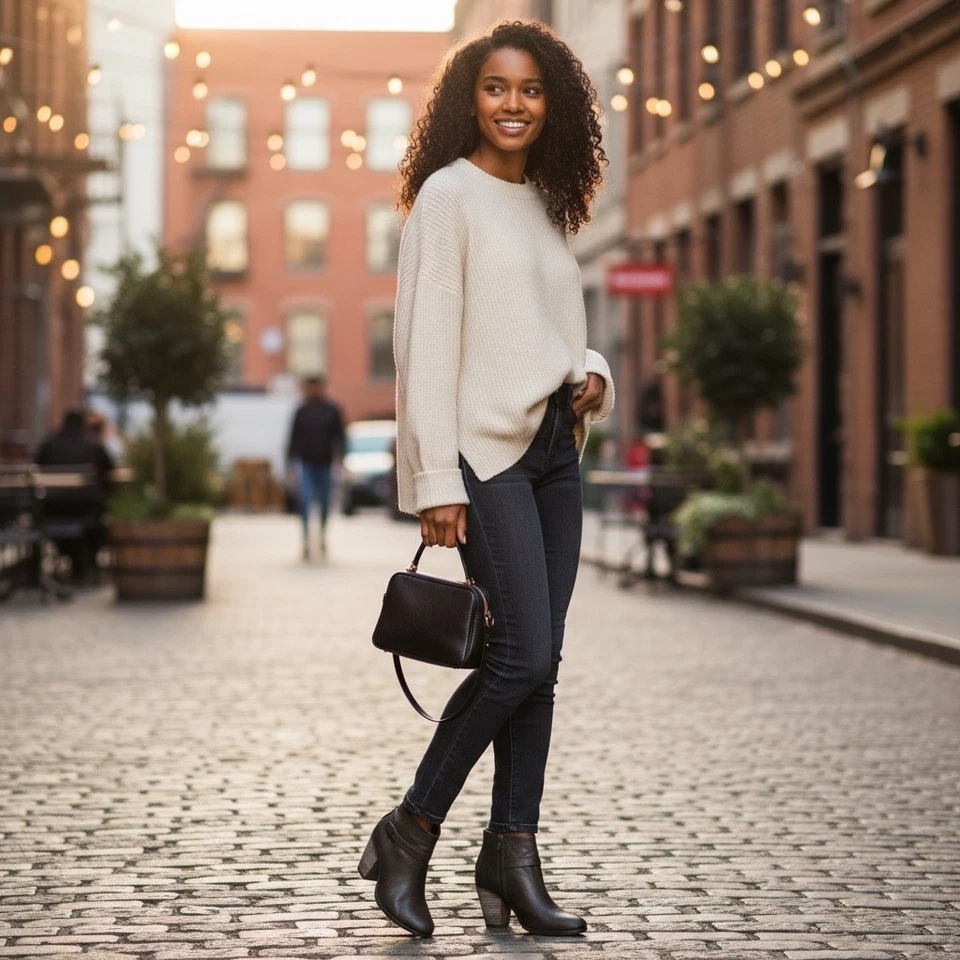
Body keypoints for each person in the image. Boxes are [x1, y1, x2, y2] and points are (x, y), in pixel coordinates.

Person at [358, 20, 614, 939]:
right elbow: (424, 347)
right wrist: (433, 476)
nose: (514, 104)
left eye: (533, 89)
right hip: (484, 452)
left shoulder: (547, 203)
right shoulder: (447, 197)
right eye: (497, 87)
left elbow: (554, 325)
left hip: (554, 446)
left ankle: (512, 851)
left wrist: (591, 372)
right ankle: (410, 829)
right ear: (470, 95)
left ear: (556, 106)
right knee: (521, 655)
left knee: (539, 669)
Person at [35, 409, 115, 581]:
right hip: (86, 511)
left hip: (52, 510)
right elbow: (110, 470)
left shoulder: (48, 444)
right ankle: (87, 566)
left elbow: (36, 469)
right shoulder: (93, 444)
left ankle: (76, 564)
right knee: (100, 522)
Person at [286, 376, 345, 560]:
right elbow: (293, 438)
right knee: (304, 501)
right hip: (306, 465)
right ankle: (305, 540)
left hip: (325, 464)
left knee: (325, 504)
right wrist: (290, 464)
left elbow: (340, 437)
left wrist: (340, 458)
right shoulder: (301, 411)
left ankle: (321, 536)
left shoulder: (332, 410)